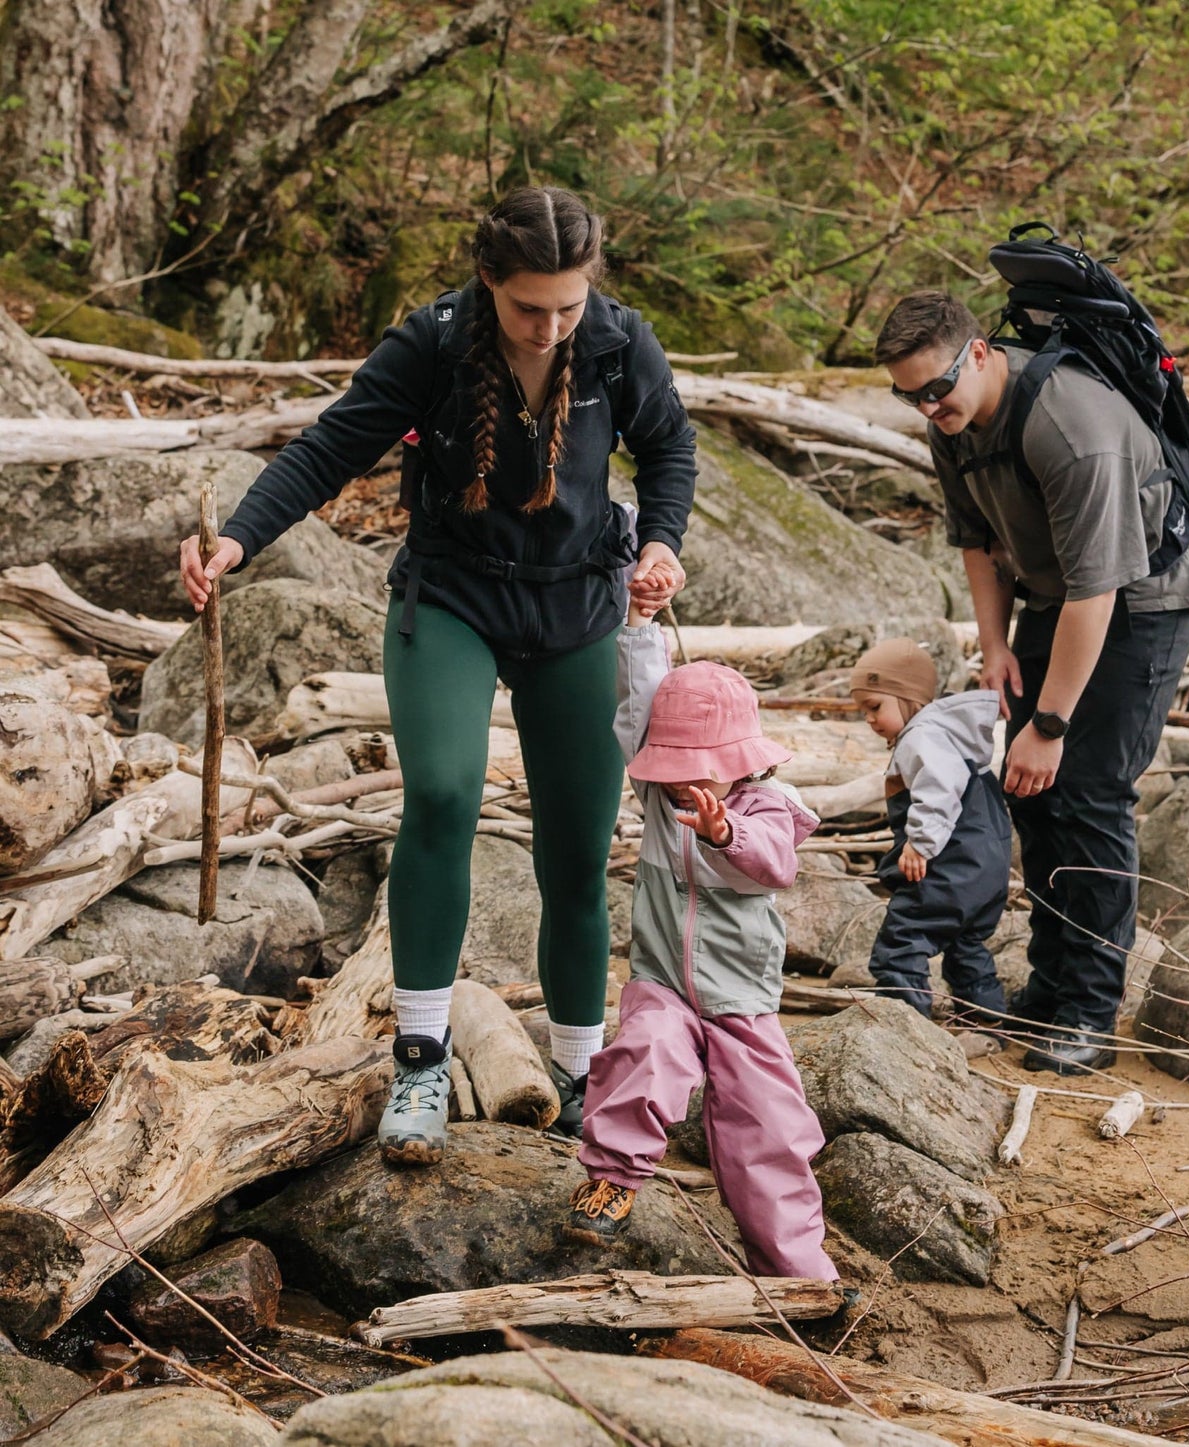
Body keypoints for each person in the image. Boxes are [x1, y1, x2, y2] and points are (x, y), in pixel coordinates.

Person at [179, 186, 696, 1156]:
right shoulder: (431, 343)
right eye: (526, 308)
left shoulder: (622, 344)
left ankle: (581, 1069)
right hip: (450, 599)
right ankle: (417, 1063)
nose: (547, 330)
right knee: (446, 795)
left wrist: (660, 542)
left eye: (566, 308)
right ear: (487, 280)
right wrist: (239, 541)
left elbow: (668, 448)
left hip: (578, 604)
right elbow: (331, 447)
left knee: (578, 850)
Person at [875, 291, 1189, 1076]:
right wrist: (992, 644)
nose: (928, 405)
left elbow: (1098, 593)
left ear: (980, 353)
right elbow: (978, 542)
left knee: (1088, 789)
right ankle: (1052, 983)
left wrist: (1049, 723)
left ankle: (1089, 1012)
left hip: (1140, 601)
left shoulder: (1070, 427)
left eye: (937, 387)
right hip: (1053, 594)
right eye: (909, 395)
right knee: (1030, 794)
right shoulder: (950, 426)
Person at [561, 601, 837, 1282]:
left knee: (767, 1127)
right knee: (644, 1053)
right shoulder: (658, 792)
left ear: (740, 762)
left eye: (701, 765)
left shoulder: (768, 804)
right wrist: (640, 621)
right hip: (662, 980)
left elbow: (776, 861)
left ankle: (797, 1271)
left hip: (741, 1000)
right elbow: (639, 701)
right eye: (674, 761)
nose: (686, 778)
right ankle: (612, 1179)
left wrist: (723, 833)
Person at [848, 637, 1011, 1028]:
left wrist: (920, 843)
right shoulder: (951, 737)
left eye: (875, 707)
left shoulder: (922, 737)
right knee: (965, 944)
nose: (869, 719)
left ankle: (903, 1029)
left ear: (908, 698)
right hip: (984, 871)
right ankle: (985, 1022)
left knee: (901, 941)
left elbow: (940, 787)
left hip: (949, 866)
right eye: (862, 711)